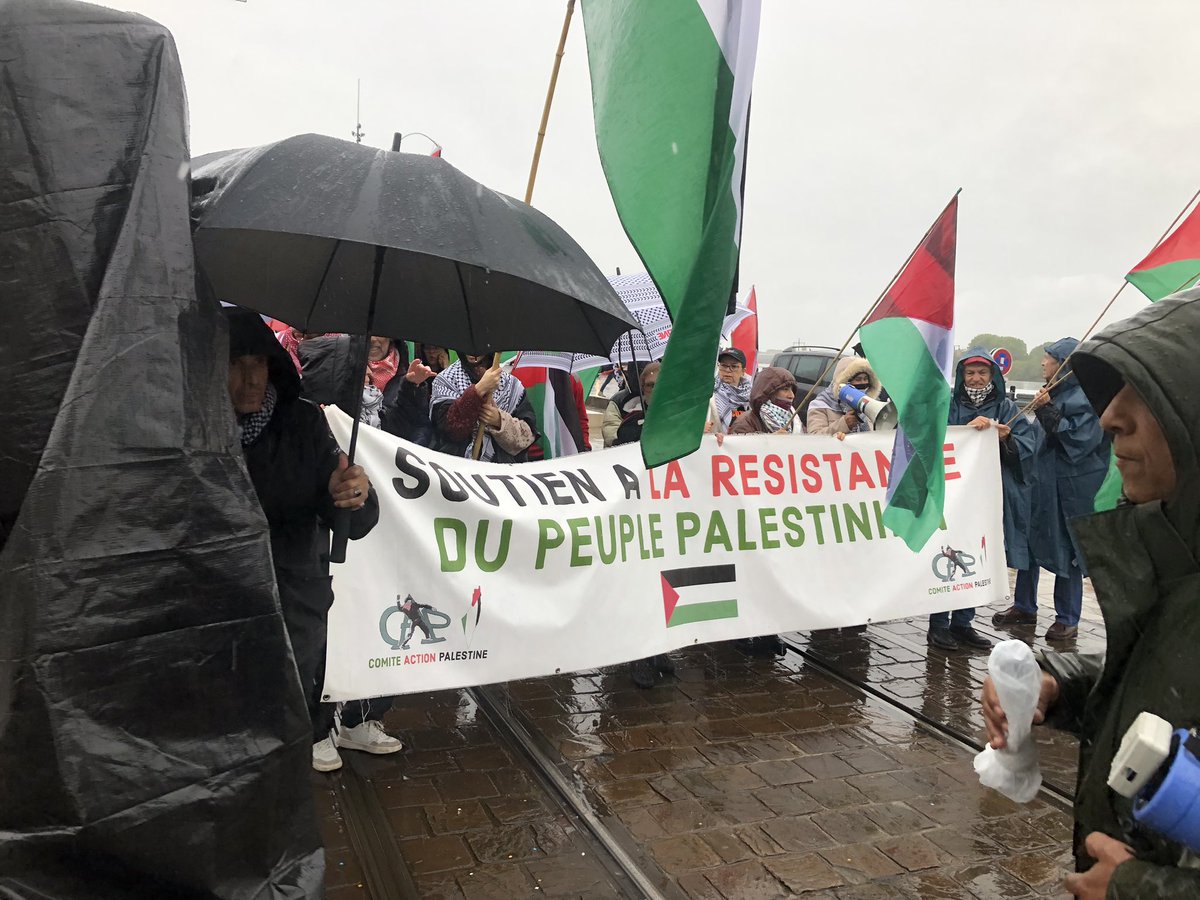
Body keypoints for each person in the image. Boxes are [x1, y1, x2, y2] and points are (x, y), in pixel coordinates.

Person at [980, 294, 1200, 898]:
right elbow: (1172, 685)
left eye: (1148, 392)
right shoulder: (1179, 558)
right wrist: (1064, 683)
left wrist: (1141, 889)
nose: (1111, 417)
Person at [224, 308, 397, 774]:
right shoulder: (191, 429)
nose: (249, 379)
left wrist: (354, 496)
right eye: (235, 365)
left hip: (294, 598)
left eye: (257, 364)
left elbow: (356, 519)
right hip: (221, 607)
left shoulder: (301, 423)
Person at [993, 339, 1109, 641]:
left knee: (1067, 549)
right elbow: (1035, 441)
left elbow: (1080, 442)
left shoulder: (1088, 397)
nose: (1043, 363)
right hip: (1042, 484)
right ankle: (1024, 605)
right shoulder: (1053, 394)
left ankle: (1067, 618)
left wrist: (1046, 411)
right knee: (1032, 542)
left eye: (1049, 358)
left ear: (1064, 365)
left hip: (1071, 490)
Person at [927, 349, 1035, 651]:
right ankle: (938, 625)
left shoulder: (1007, 407)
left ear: (992, 376)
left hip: (989, 498)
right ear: (962, 376)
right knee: (946, 557)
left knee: (977, 560)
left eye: (982, 373)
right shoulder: (946, 406)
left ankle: (963, 623)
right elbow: (929, 440)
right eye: (970, 373)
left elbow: (1027, 450)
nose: (975, 379)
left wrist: (1006, 438)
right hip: (953, 497)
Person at [608, 363, 674, 688]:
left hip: (669, 517)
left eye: (660, 385)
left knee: (666, 586)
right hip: (638, 519)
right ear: (642, 391)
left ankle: (660, 649)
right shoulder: (631, 424)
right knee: (641, 587)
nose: (654, 390)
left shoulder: (680, 422)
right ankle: (640, 657)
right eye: (648, 386)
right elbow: (619, 456)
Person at [430, 352, 538, 461]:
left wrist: (499, 420)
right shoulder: (446, 380)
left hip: (498, 473)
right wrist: (479, 390)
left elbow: (527, 437)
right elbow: (448, 430)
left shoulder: (512, 385)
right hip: (457, 470)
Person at [807, 357, 881, 435]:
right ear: (845, 382)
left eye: (866, 379)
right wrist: (843, 424)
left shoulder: (870, 405)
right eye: (858, 379)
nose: (863, 383)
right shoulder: (820, 405)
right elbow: (814, 437)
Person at [729, 366, 801, 435]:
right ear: (770, 392)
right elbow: (740, 445)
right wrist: (770, 440)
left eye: (792, 390)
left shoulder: (794, 419)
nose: (792, 396)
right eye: (785, 389)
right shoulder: (746, 422)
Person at [602, 363, 650, 448]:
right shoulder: (618, 400)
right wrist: (621, 441)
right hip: (621, 452)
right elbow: (610, 426)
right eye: (640, 371)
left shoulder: (656, 397)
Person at [709, 347, 752, 433]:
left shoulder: (752, 398)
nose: (728, 370)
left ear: (743, 371)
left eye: (734, 366)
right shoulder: (709, 393)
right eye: (724, 365)